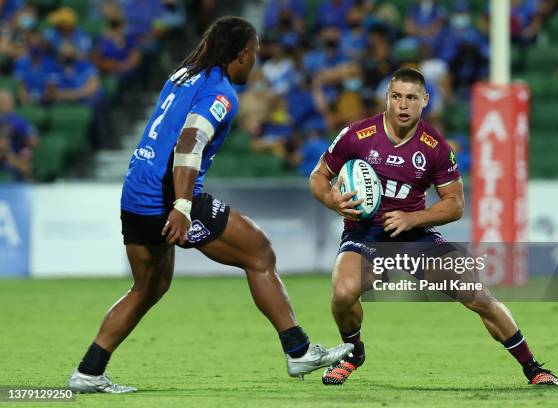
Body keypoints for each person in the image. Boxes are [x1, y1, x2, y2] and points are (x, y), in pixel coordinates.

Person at [67, 16, 353, 394]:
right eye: (254, 54)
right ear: (239, 55)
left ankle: (88, 371)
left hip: (136, 190)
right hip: (168, 195)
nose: (255, 63)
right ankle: (298, 350)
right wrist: (183, 206)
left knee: (148, 287)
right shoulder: (221, 93)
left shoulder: (183, 73)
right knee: (259, 253)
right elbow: (189, 144)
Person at [308, 67, 558, 386]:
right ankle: (353, 355)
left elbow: (455, 204)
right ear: (386, 97)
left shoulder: (435, 147)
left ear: (424, 101)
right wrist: (332, 200)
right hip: (365, 235)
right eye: (396, 96)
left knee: (478, 296)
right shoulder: (357, 135)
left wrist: (412, 218)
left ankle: (534, 368)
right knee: (342, 292)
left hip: (416, 237)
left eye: (411, 98)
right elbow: (317, 176)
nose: (402, 105)